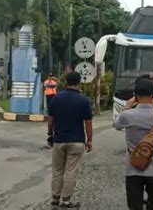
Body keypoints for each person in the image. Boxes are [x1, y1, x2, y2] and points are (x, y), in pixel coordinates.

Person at [114, 78, 153, 210]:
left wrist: (127, 107)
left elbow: (116, 125)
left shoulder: (127, 115)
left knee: (135, 206)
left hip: (133, 168)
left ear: (135, 96)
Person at [47, 72, 93, 208]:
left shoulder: (56, 98)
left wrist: (50, 134)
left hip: (59, 139)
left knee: (57, 170)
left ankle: (55, 198)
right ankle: (66, 200)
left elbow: (50, 120)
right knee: (71, 171)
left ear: (65, 82)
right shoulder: (84, 100)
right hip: (77, 141)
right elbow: (88, 123)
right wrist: (89, 140)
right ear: (79, 83)